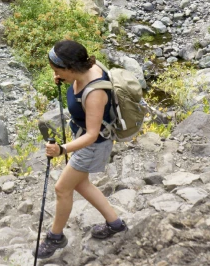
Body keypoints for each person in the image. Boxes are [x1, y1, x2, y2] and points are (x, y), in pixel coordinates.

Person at [34, 40, 127, 260]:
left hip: (92, 146)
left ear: (71, 68)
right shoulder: (84, 69)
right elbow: (75, 86)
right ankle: (115, 224)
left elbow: (92, 134)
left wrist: (62, 150)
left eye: (58, 71)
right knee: (81, 184)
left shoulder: (95, 93)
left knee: (62, 189)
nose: (55, 74)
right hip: (86, 140)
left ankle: (55, 237)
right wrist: (64, 78)